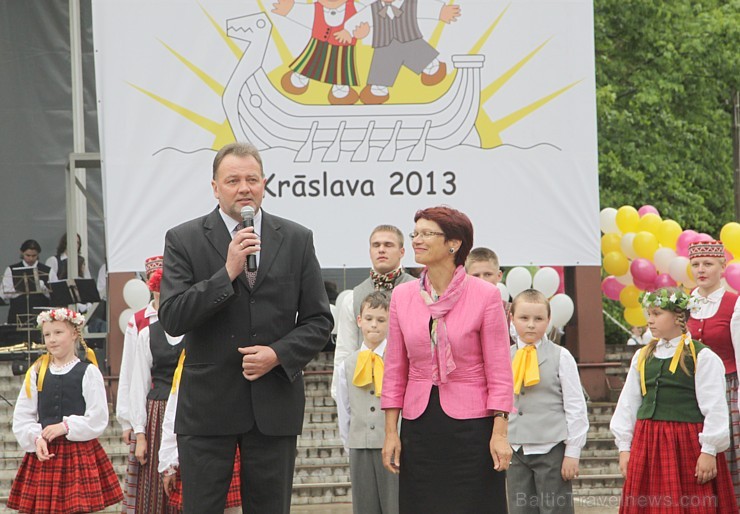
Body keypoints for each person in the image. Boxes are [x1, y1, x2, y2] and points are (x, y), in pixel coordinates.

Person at [158, 141, 333, 513]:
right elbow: (173, 317)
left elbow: (319, 320)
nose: (244, 188)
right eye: (233, 180)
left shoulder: (297, 238)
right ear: (215, 187)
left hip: (274, 403)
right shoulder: (184, 239)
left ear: (264, 183)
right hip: (208, 406)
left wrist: (278, 354)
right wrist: (227, 273)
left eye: (252, 179)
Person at [381, 206, 514, 513]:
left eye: (427, 233)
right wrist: (390, 433)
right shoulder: (402, 297)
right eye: (416, 233)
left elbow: (499, 371)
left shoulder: (485, 295)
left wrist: (500, 433)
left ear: (454, 243)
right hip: (419, 426)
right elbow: (395, 370)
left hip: (473, 428)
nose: (417, 240)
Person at [610, 287, 735, 513]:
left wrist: (709, 451)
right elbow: (628, 404)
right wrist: (625, 447)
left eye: (657, 314)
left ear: (678, 317)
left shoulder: (701, 356)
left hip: (685, 444)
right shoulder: (643, 355)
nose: (650, 320)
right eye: (649, 314)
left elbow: (715, 407)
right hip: (647, 443)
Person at [8, 308, 123, 512]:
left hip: (77, 454)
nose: (52, 340)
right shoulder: (37, 371)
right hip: (44, 453)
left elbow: (98, 417)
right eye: (47, 334)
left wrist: (65, 426)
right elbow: (23, 416)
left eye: (58, 332)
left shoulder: (88, 372)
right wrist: (37, 439)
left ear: (74, 334)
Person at [507, 289, 589, 514]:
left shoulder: (561, 356)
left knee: (555, 510)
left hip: (551, 449)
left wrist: (573, 453)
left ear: (549, 320)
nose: (531, 325)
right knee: (519, 509)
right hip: (515, 449)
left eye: (538, 319)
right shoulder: (504, 356)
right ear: (511, 318)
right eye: (524, 318)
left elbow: (575, 406)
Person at [331, 224, 414, 399]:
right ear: (370, 251)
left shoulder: (419, 291)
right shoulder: (353, 297)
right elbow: (345, 349)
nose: (381, 250)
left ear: (402, 252)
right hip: (365, 390)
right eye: (376, 245)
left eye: (388, 245)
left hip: (409, 388)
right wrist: (339, 393)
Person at [687, 239, 740, 505]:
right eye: (695, 264)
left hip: (727, 387)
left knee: (726, 454)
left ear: (722, 266)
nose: (701, 269)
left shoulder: (734, 303)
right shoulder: (684, 303)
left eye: (708, 264)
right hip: (691, 390)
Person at [336, 291, 399, 514]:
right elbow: (344, 408)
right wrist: (348, 444)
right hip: (358, 445)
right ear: (359, 321)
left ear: (390, 322)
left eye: (381, 320)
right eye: (369, 319)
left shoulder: (399, 360)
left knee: (395, 504)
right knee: (364, 506)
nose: (374, 325)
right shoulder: (347, 364)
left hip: (391, 445)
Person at [129, 265, 185, 513]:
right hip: (157, 413)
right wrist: (140, 434)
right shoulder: (148, 334)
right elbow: (138, 384)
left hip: (190, 411)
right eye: (161, 296)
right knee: (154, 488)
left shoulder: (196, 332)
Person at [159, 357, 242, 514]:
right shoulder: (188, 361)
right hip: (199, 447)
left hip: (232, 444)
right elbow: (173, 415)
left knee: (233, 510)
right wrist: (169, 464)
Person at [342, 0, 461, 104]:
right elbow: (358, 19)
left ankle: (432, 67)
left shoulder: (412, 3)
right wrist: (349, 30)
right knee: (382, 67)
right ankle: (378, 89)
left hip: (410, 41)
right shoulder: (372, 9)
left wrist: (441, 11)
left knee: (420, 53)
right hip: (385, 47)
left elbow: (426, 6)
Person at [116, 255, 161, 513]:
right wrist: (128, 420)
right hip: (145, 400)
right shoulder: (139, 319)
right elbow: (129, 369)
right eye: (153, 281)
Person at [272, 0, 367, 105]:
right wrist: (289, 10)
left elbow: (367, 20)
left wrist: (362, 32)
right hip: (318, 46)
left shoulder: (357, 8)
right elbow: (301, 12)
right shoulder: (316, 8)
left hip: (342, 50)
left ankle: (340, 88)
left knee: (340, 69)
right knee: (311, 62)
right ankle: (301, 77)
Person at [1, 239, 57, 325]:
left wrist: (44, 289)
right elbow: (5, 293)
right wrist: (19, 289)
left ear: (38, 254)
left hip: (40, 314)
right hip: (17, 312)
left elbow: (56, 293)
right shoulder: (11, 270)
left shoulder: (47, 271)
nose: (31, 259)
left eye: (34, 256)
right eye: (28, 255)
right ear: (22, 252)